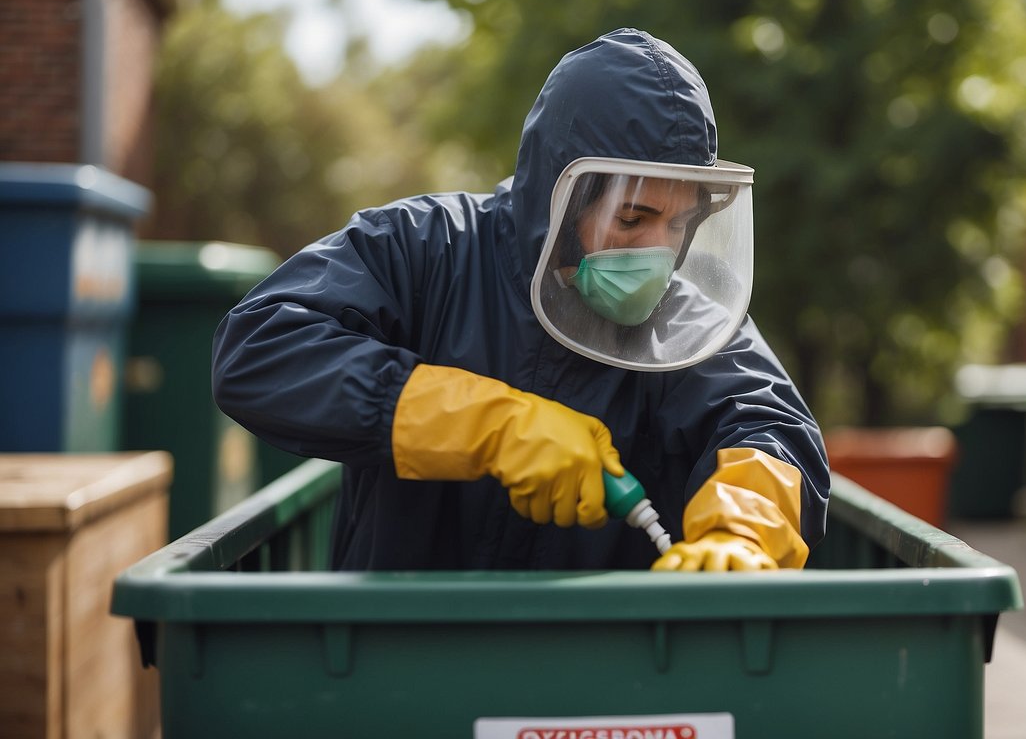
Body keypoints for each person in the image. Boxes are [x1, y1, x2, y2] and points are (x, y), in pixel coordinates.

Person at [212, 28, 829, 571]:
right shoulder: (426, 251)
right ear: (562, 195)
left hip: (607, 670)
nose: (656, 252)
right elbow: (258, 348)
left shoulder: (686, 324)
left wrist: (742, 532)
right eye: (634, 217)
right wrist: (490, 427)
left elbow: (767, 422)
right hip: (400, 654)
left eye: (678, 224)